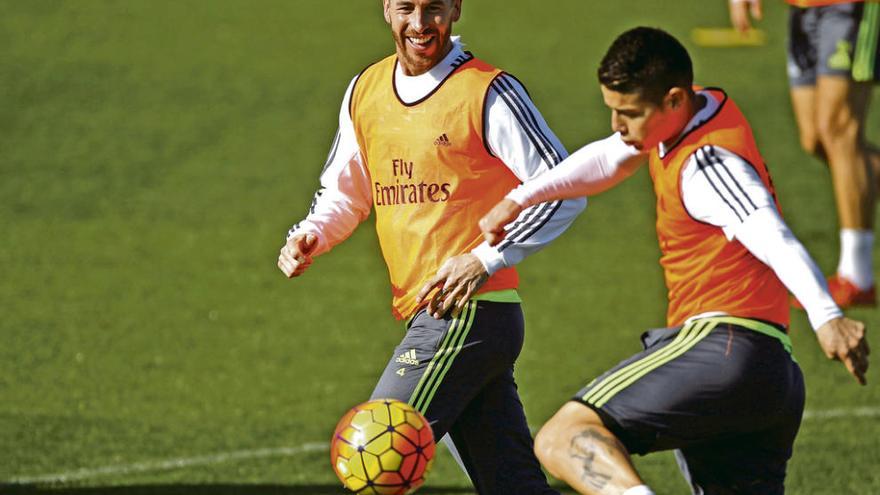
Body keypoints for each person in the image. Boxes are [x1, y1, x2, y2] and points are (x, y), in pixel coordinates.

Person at [479, 27, 869, 495]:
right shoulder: (692, 113)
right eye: (612, 110)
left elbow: (773, 235)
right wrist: (520, 198)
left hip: (722, 349)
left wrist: (828, 317)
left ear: (673, 99)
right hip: (769, 378)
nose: (617, 125)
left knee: (565, 436)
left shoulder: (708, 163)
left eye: (629, 114)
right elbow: (611, 156)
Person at [277, 1, 585, 492]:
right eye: (407, 8)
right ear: (386, 10)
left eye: (434, 8)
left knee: (373, 458)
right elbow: (347, 189)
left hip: (465, 312)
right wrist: (312, 233)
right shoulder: (366, 89)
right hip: (435, 313)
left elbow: (564, 187)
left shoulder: (488, 91)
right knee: (512, 483)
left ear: (456, 9)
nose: (420, 24)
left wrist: (487, 259)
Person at [730, 0, 880, 307]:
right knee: (815, 139)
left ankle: (857, 275)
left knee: (838, 131)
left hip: (852, 7)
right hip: (802, 9)